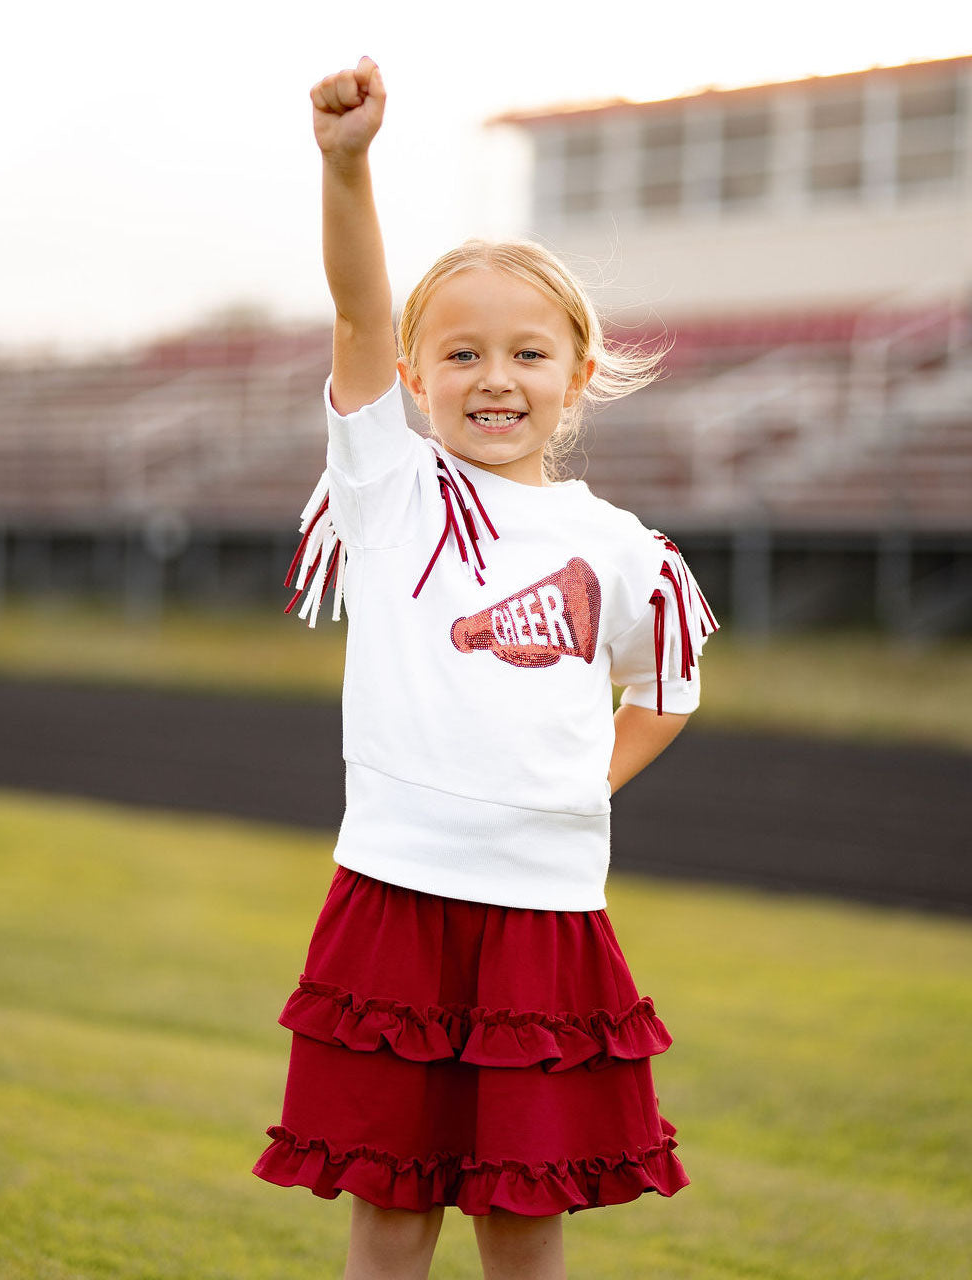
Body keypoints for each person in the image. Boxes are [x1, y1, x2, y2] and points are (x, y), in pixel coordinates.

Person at [253, 55, 717, 1280]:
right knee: (393, 1206)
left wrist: (575, 781)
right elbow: (357, 310)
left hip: (546, 917)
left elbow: (666, 694)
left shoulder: (623, 551)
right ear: (411, 378)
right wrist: (345, 164)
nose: (492, 378)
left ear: (576, 373)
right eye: (458, 355)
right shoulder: (392, 491)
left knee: (523, 1211)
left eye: (524, 353)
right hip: (391, 893)